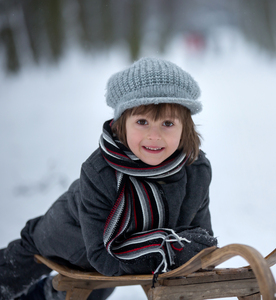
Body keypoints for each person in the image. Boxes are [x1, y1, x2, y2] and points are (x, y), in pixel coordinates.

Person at [0, 57, 217, 300]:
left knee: (100, 286)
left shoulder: (196, 169)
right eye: (142, 122)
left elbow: (200, 236)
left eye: (167, 123)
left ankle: (50, 293)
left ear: (185, 127)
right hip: (67, 233)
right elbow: (102, 256)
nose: (154, 135)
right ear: (121, 125)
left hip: (117, 252)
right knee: (41, 269)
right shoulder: (100, 172)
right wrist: (168, 250)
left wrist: (191, 251)